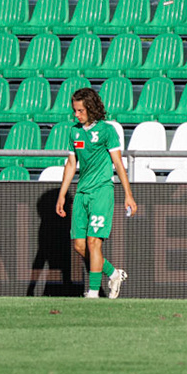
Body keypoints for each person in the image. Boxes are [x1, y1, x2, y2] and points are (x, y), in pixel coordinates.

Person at [54, 87, 137, 299]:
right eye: (74, 110)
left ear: (90, 108)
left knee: (93, 242)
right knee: (80, 246)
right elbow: (71, 163)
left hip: (101, 191)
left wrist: (128, 194)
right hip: (82, 193)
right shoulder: (74, 132)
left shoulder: (107, 131)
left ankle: (92, 293)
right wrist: (62, 195)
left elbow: (118, 163)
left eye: (80, 110)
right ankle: (113, 273)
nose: (76, 114)